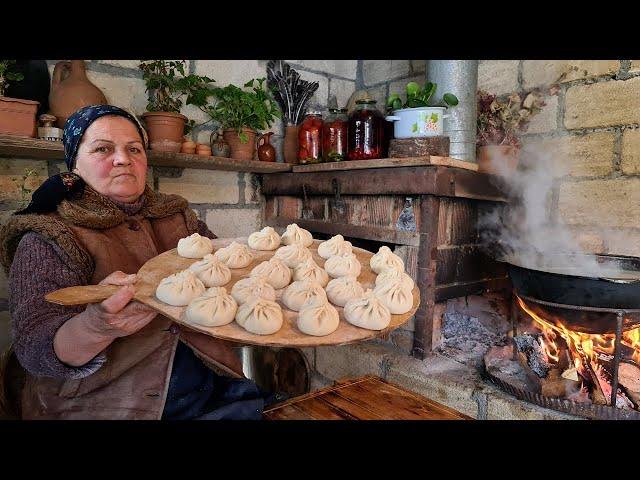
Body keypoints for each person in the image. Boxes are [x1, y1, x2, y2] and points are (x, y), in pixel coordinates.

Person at [0, 104, 278, 420]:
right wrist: (97, 326)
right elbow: (34, 349)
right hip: (109, 404)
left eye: (134, 149)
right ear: (74, 164)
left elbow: (225, 275)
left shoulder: (176, 217)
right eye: (103, 149)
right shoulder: (49, 234)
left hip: (210, 381)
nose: (123, 159)